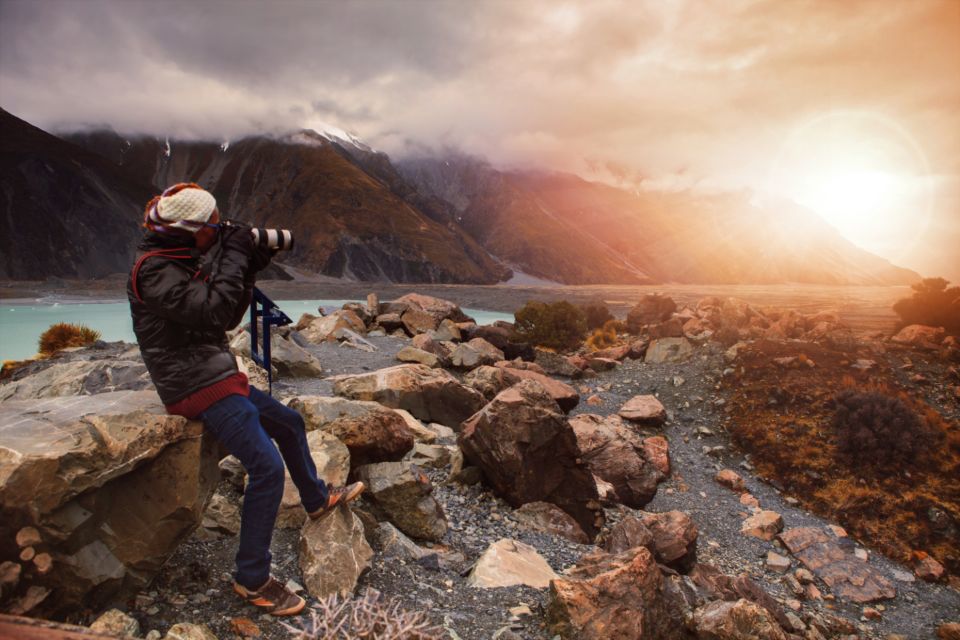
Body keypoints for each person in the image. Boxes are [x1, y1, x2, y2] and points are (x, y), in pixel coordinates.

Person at [127, 183, 363, 617]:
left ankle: (314, 499)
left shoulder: (180, 259)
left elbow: (226, 313)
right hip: (193, 385)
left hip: (213, 373)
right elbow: (215, 313)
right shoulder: (154, 271)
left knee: (289, 424)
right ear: (188, 230)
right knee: (266, 468)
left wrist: (249, 265)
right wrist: (234, 254)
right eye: (213, 225)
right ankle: (251, 579)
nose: (219, 230)